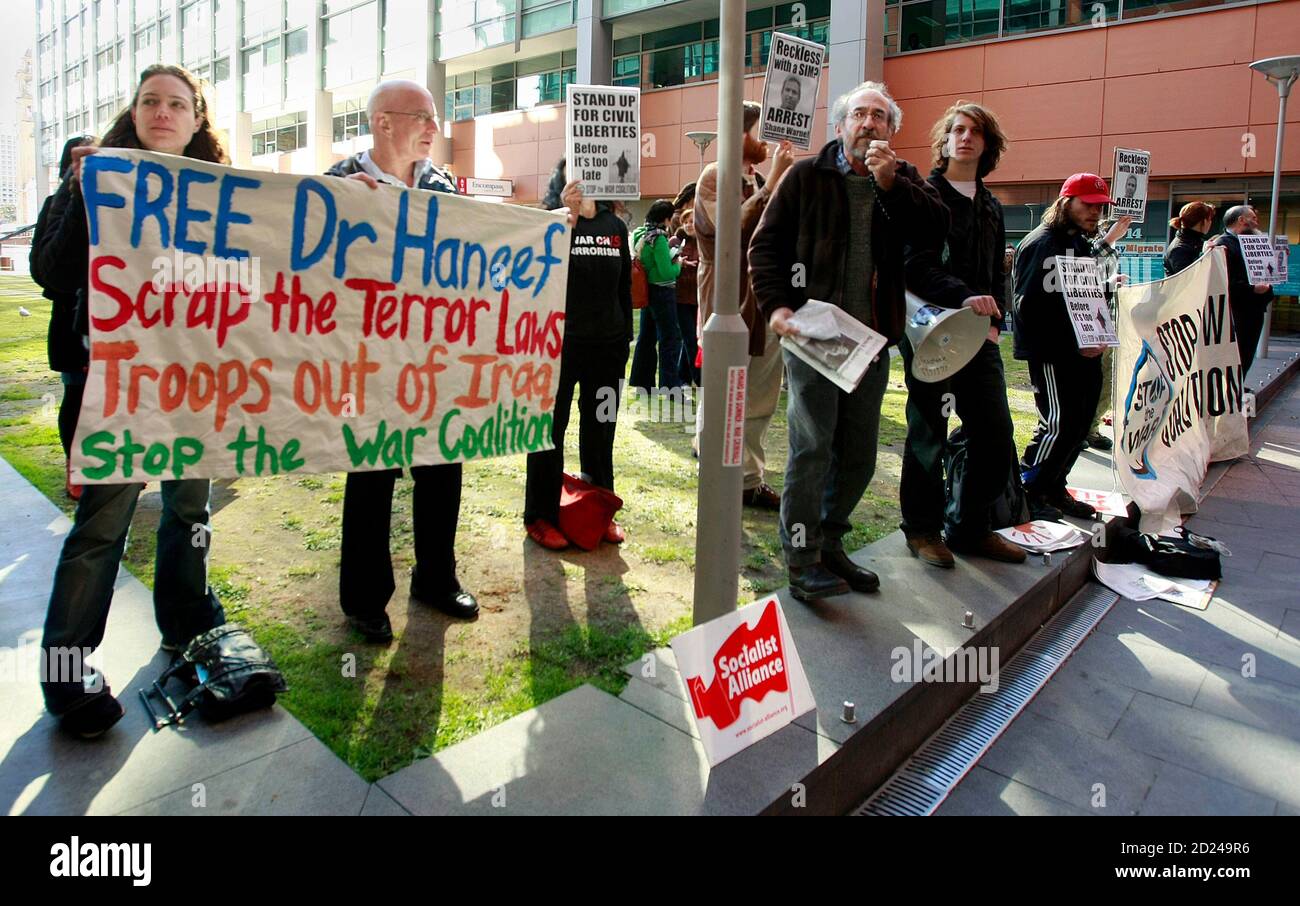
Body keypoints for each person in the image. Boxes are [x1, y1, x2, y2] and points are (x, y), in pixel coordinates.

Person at [30, 64, 229, 738]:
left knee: (190, 507)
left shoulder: (226, 194)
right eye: (151, 101)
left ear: (197, 120)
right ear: (135, 112)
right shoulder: (92, 179)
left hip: (193, 384)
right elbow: (50, 275)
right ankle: (65, 676)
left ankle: (187, 619)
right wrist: (83, 196)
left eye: (178, 103)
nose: (163, 112)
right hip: (115, 387)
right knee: (100, 527)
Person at [750, 80, 948, 601]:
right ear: (840, 126)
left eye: (880, 117)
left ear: (891, 130)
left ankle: (830, 542)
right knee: (812, 447)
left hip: (871, 342)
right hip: (815, 336)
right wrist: (777, 308)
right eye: (859, 114)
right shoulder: (804, 176)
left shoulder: (900, 179)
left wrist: (893, 186)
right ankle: (801, 558)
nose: (869, 123)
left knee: (859, 455)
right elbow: (764, 245)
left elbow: (936, 231)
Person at [326, 79, 475, 643]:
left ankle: (436, 578)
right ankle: (365, 600)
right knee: (371, 476)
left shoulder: (442, 184)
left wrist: (555, 221)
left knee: (442, 467)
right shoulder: (337, 182)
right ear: (383, 122)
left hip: (435, 360)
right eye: (423, 117)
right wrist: (343, 213)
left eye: (435, 117)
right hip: (367, 363)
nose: (435, 128)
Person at [900, 101, 1024, 567]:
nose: (965, 137)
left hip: (981, 339)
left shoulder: (991, 203)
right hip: (934, 333)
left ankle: (970, 527)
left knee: (995, 434)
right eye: (956, 129)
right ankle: (922, 530)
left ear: (987, 144)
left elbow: (997, 273)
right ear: (945, 140)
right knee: (928, 431)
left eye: (975, 131)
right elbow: (914, 266)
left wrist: (994, 322)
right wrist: (965, 297)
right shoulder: (926, 194)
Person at [523, 169, 633, 550]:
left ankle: (601, 510)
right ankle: (540, 516)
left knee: (601, 430)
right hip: (559, 347)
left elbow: (624, 288)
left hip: (608, 348)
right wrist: (564, 219)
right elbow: (539, 274)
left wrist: (625, 341)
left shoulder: (615, 225)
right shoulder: (551, 221)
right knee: (549, 430)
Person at [694, 102, 795, 509]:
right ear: (739, 133)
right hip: (730, 300)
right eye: (760, 132)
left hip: (764, 300)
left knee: (760, 396)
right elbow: (728, 230)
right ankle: (716, 473)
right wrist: (773, 183)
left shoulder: (756, 177)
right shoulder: (716, 174)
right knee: (724, 392)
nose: (767, 140)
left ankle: (749, 479)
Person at [1014, 173, 1118, 522]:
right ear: (1066, 202)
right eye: (1087, 204)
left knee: (1078, 425)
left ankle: (1053, 487)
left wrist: (1101, 312)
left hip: (1083, 351)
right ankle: (1029, 490)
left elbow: (1082, 298)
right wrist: (1076, 341)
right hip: (1053, 353)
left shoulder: (1081, 244)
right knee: (1059, 424)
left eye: (1099, 207)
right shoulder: (1041, 243)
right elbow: (1028, 307)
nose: (1094, 212)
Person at [30, 134, 92, 501]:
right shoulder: (57, 204)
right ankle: (76, 469)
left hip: (113, 325)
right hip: (73, 325)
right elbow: (45, 270)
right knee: (76, 396)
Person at [1213, 205, 1274, 382]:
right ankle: (1230, 391)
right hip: (1237, 311)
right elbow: (1223, 281)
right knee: (1236, 353)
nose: (1256, 222)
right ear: (1241, 220)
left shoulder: (1254, 241)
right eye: (1253, 218)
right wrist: (1251, 289)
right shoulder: (1223, 244)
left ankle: (1238, 387)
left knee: (1247, 353)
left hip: (1254, 308)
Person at [629, 200, 685, 391]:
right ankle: (670, 386)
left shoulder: (639, 233)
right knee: (670, 338)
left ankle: (641, 382)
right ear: (666, 218)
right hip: (662, 292)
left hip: (646, 291)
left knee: (646, 337)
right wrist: (679, 264)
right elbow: (666, 271)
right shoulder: (659, 239)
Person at [671, 190, 701, 386]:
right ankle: (701, 380)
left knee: (692, 340)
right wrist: (679, 263)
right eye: (686, 222)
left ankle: (683, 377)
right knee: (690, 340)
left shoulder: (706, 242)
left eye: (693, 221)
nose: (689, 225)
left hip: (699, 300)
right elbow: (667, 267)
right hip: (680, 299)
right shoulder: (675, 242)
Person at [1164, 201, 1215, 278]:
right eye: (1210, 219)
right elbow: (1188, 279)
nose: (1211, 222)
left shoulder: (1193, 241)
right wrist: (1205, 254)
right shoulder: (1179, 249)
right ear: (1204, 221)